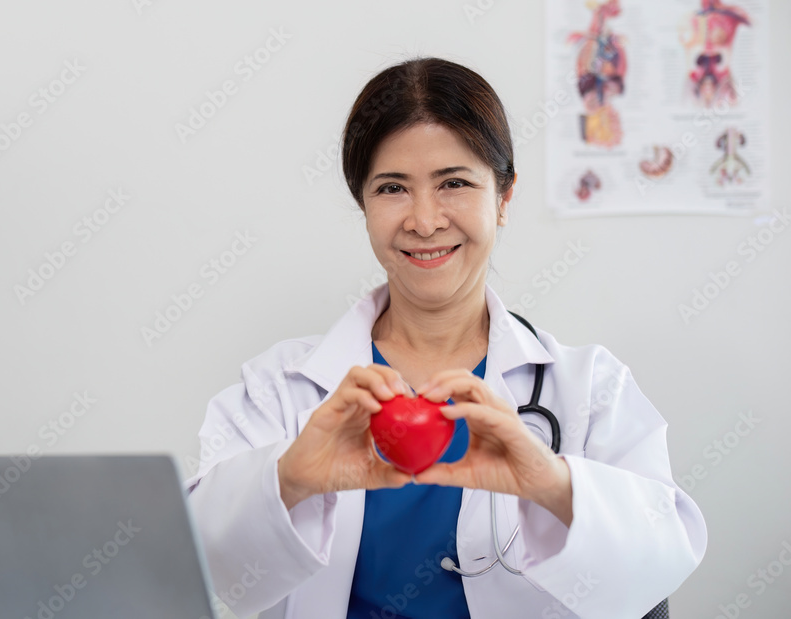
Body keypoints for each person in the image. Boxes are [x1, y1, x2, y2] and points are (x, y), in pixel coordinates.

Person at [184, 57, 707, 619]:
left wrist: (552, 483)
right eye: (392, 188)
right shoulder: (278, 390)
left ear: (504, 198)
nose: (425, 221)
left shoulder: (588, 389)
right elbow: (204, 563)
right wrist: (288, 480)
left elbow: (660, 560)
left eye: (454, 183)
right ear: (364, 205)